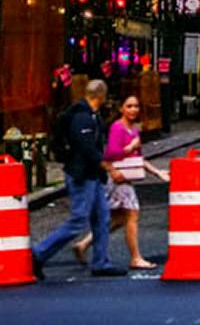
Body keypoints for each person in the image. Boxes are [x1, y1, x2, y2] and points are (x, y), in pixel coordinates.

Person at [34, 78, 125, 279]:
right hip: (82, 175)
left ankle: (101, 262)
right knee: (78, 220)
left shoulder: (91, 115)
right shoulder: (83, 117)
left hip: (92, 175)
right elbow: (87, 148)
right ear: (101, 96)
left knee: (102, 217)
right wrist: (108, 168)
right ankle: (38, 253)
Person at [105, 94, 169, 270]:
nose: (133, 110)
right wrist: (131, 147)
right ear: (121, 109)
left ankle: (84, 244)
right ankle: (135, 257)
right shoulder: (117, 128)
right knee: (132, 214)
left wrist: (157, 172)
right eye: (129, 106)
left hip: (126, 177)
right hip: (118, 178)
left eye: (136, 106)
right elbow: (110, 154)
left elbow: (139, 159)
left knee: (118, 219)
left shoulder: (133, 129)